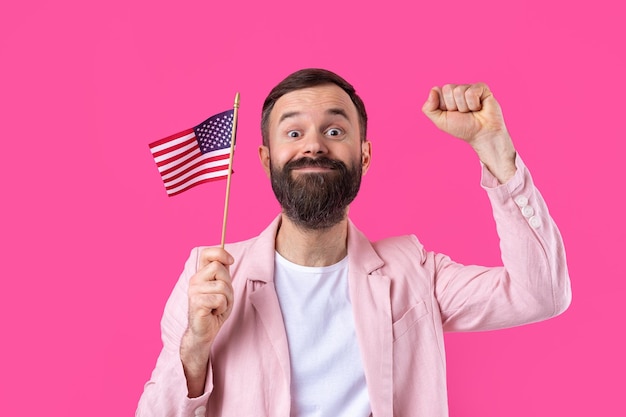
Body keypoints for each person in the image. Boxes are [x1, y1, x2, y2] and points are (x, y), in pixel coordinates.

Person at [136, 68, 571, 417]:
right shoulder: (209, 277)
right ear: (266, 160)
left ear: (363, 155)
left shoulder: (414, 271)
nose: (313, 147)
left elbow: (542, 294)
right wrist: (194, 350)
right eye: (292, 133)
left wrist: (492, 146)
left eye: (334, 131)